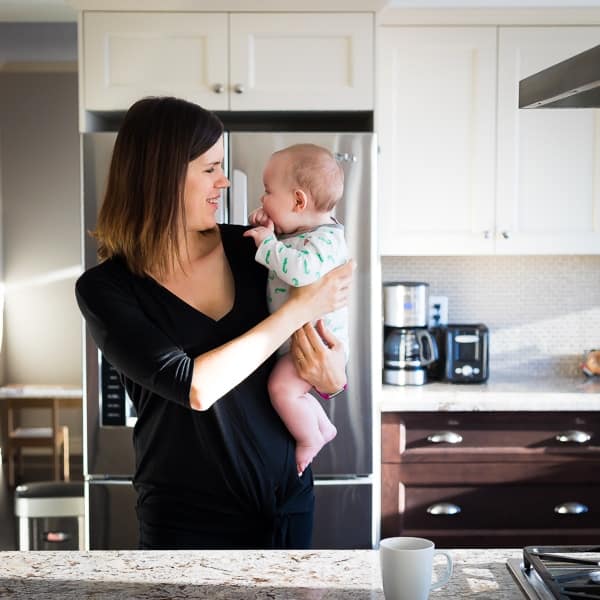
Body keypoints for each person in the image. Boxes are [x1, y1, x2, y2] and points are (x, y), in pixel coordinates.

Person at [74, 96, 352, 550]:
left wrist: (334, 379)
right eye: (210, 168)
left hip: (285, 500)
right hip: (185, 520)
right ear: (160, 176)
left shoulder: (253, 250)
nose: (224, 181)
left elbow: (323, 361)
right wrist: (298, 309)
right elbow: (193, 387)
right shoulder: (107, 290)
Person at [243, 144, 348, 477]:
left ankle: (309, 439)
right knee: (292, 390)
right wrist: (272, 230)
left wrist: (268, 243)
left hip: (313, 345)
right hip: (301, 341)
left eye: (267, 192)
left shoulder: (325, 242)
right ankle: (323, 427)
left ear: (299, 201)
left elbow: (299, 271)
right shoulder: (305, 232)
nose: (262, 199)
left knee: (281, 388)